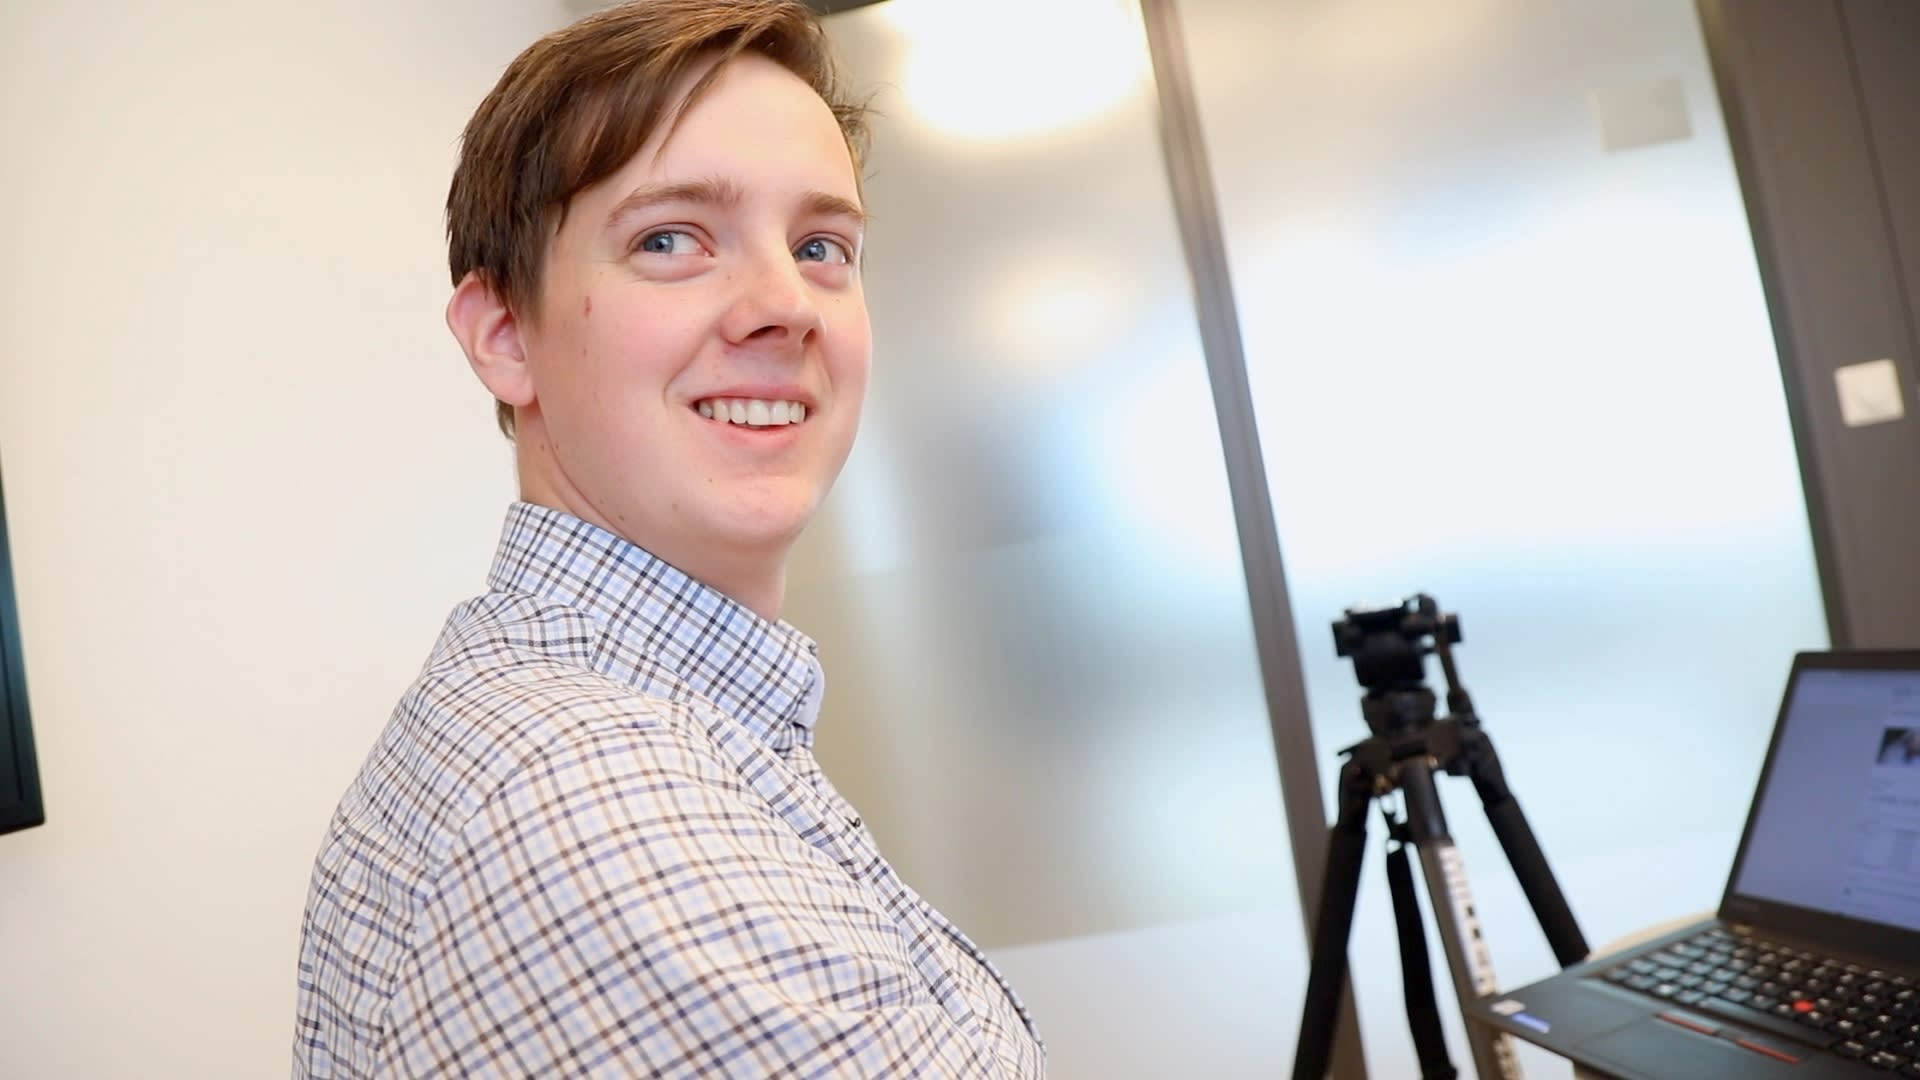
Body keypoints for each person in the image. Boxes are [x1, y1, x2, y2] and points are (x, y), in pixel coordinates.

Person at [291, 1, 1045, 1075]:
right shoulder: (598, 803)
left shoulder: (633, 717)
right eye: (670, 240)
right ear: (505, 337)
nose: (787, 304)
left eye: (822, 246)